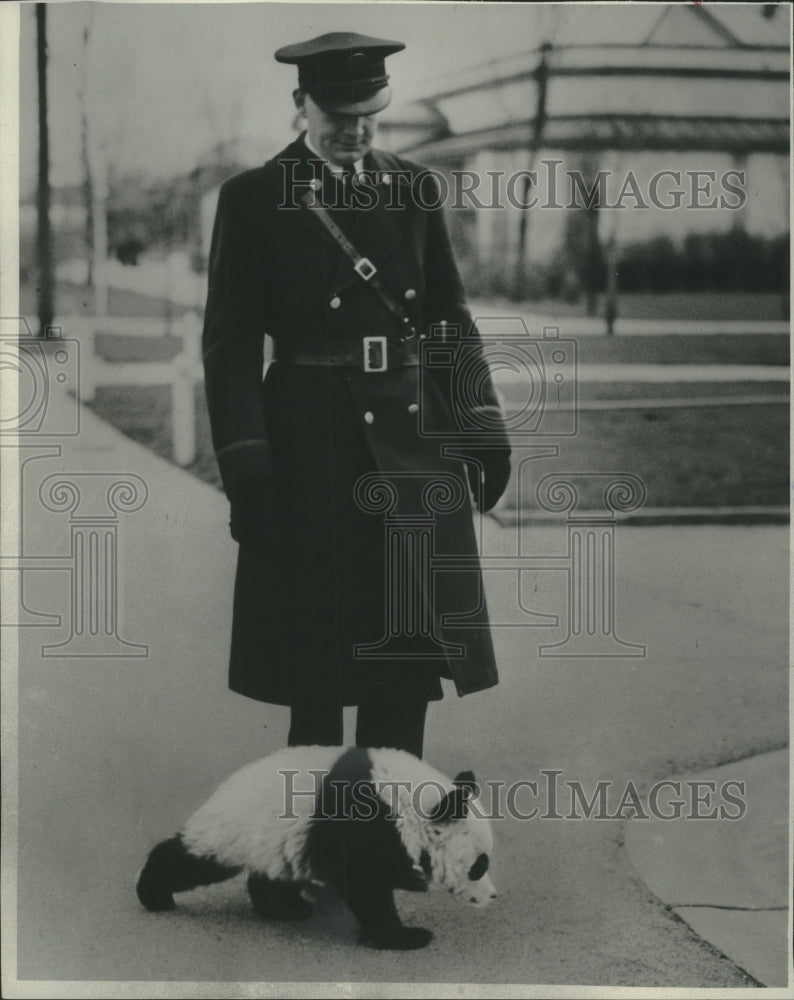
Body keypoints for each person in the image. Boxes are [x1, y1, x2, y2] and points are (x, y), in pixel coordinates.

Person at [202, 32, 511, 762]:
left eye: (370, 112)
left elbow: (448, 318)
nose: (357, 129)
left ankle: (380, 849)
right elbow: (231, 345)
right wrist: (248, 469)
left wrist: (482, 426)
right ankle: (303, 854)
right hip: (313, 450)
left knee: (404, 666)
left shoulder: (414, 187)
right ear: (299, 105)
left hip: (410, 451)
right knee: (314, 668)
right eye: (339, 114)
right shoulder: (253, 199)